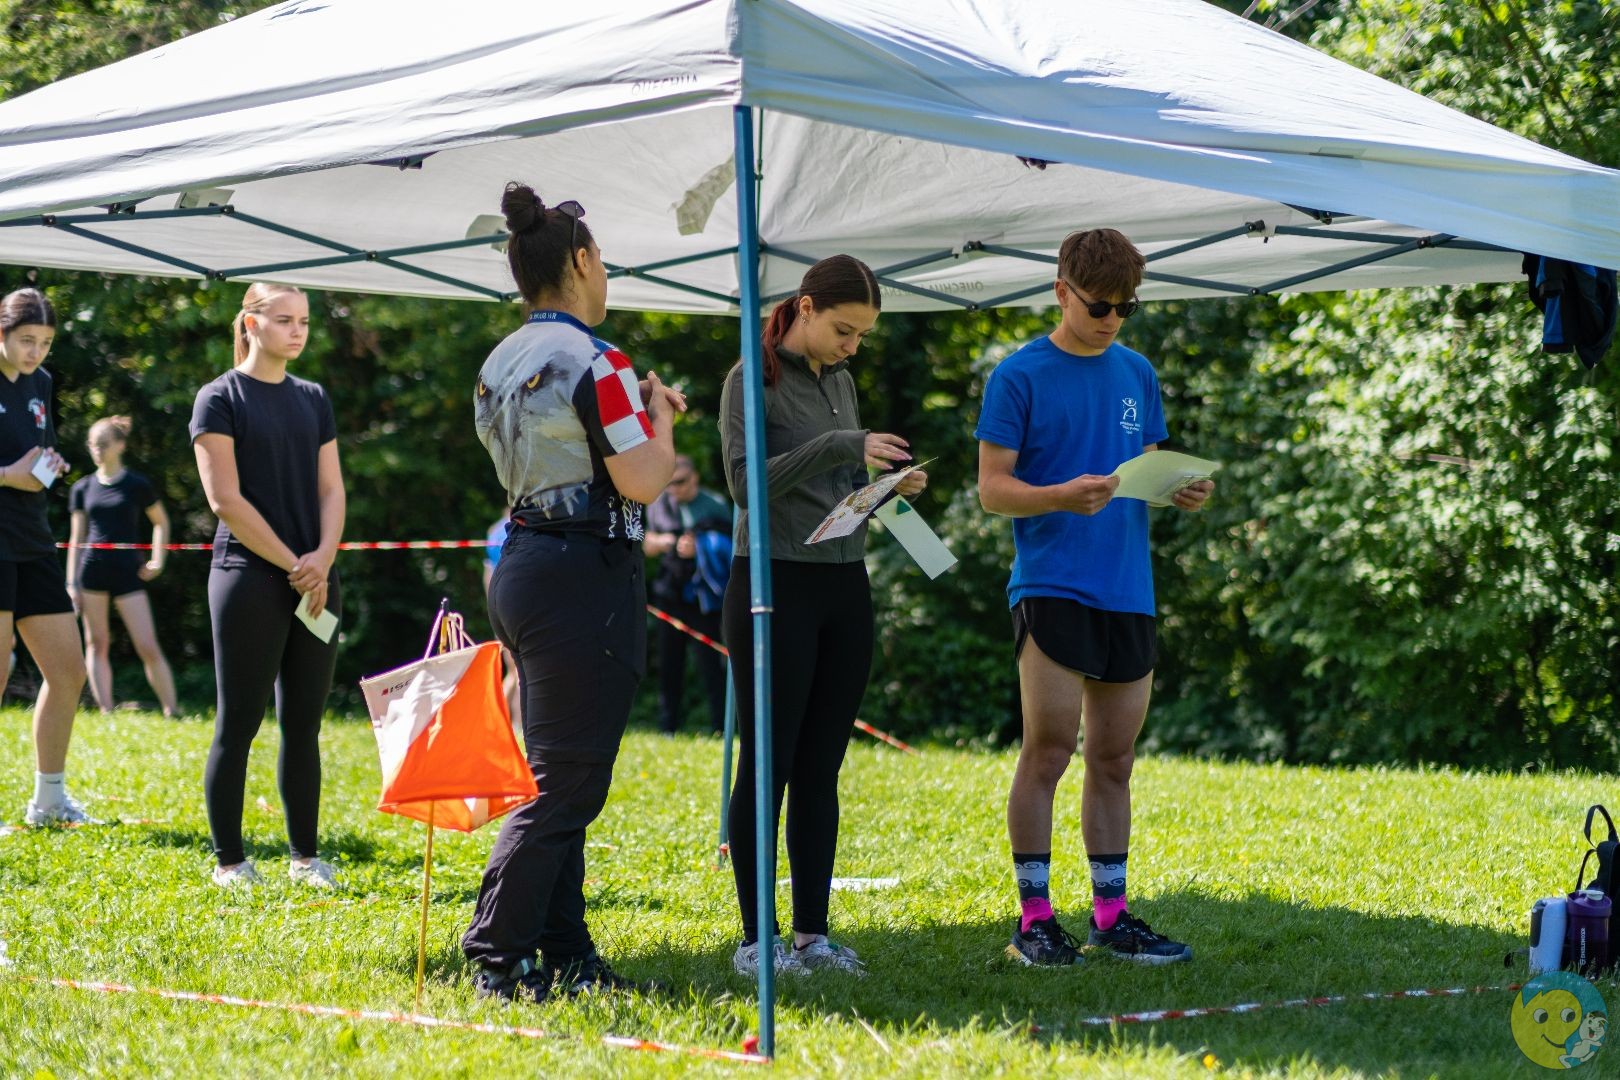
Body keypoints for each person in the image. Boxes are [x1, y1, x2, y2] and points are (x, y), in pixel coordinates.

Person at [461, 182, 684, 1004]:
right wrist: (664, 419)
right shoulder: (600, 361)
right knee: (567, 779)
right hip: (583, 574)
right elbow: (643, 478)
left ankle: (565, 950)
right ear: (583, 262)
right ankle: (496, 953)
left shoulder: (498, 360)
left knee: (554, 771)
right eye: (604, 261)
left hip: (520, 562)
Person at [974, 228, 1213, 967]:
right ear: (1061, 292)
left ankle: (1110, 917)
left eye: (1125, 308)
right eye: (1099, 305)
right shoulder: (1018, 375)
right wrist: (1057, 495)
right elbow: (992, 490)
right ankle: (1035, 920)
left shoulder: (1138, 372)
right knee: (1048, 751)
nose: (1111, 319)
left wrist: (1179, 490)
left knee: (1115, 758)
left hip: (1128, 589)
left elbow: (1148, 468)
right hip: (1052, 584)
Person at [720, 254, 927, 978]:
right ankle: (757, 941)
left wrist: (887, 486)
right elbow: (745, 485)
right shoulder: (750, 378)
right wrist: (844, 445)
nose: (853, 348)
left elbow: (834, 483)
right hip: (772, 582)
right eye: (844, 330)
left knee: (821, 766)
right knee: (769, 762)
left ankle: (812, 936)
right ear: (805, 308)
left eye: (863, 335)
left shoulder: (841, 380)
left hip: (845, 581)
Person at [191, 282, 346, 889]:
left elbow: (332, 489)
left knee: (304, 726)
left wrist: (322, 560)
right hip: (248, 576)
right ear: (251, 324)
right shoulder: (218, 398)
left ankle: (305, 857)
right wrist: (294, 564)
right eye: (284, 320)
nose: (297, 331)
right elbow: (224, 500)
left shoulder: (313, 397)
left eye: (303, 321)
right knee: (239, 724)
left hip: (316, 579)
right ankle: (230, 862)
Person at [0, 287, 90, 826]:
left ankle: (49, 801)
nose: (35, 352)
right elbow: (11, 468)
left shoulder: (42, 383)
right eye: (26, 340)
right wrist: (8, 475)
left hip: (33, 541)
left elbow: (39, 450)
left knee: (69, 671)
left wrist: (48, 466)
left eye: (45, 342)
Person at [67, 416, 179, 717]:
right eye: (92, 445)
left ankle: (172, 709)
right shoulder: (82, 488)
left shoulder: (136, 484)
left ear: (120, 445)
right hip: (91, 572)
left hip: (128, 572)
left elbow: (161, 522)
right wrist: (71, 583)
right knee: (96, 642)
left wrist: (158, 559)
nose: (97, 450)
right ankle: (106, 710)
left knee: (147, 643)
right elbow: (76, 538)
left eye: (103, 444)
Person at [644, 454, 730, 734]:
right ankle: (668, 728)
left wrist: (700, 547)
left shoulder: (715, 504)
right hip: (670, 595)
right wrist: (665, 542)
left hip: (704, 597)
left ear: (694, 478)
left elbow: (731, 544)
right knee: (669, 664)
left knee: (711, 663)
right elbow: (645, 542)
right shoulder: (658, 503)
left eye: (680, 482)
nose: (674, 489)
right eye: (669, 484)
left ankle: (720, 728)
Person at [482, 507, 521, 729]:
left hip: (499, 607)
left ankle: (496, 723)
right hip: (518, 606)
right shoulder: (521, 529)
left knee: (513, 672)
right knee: (521, 673)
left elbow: (487, 575)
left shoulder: (493, 531)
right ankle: (516, 724)